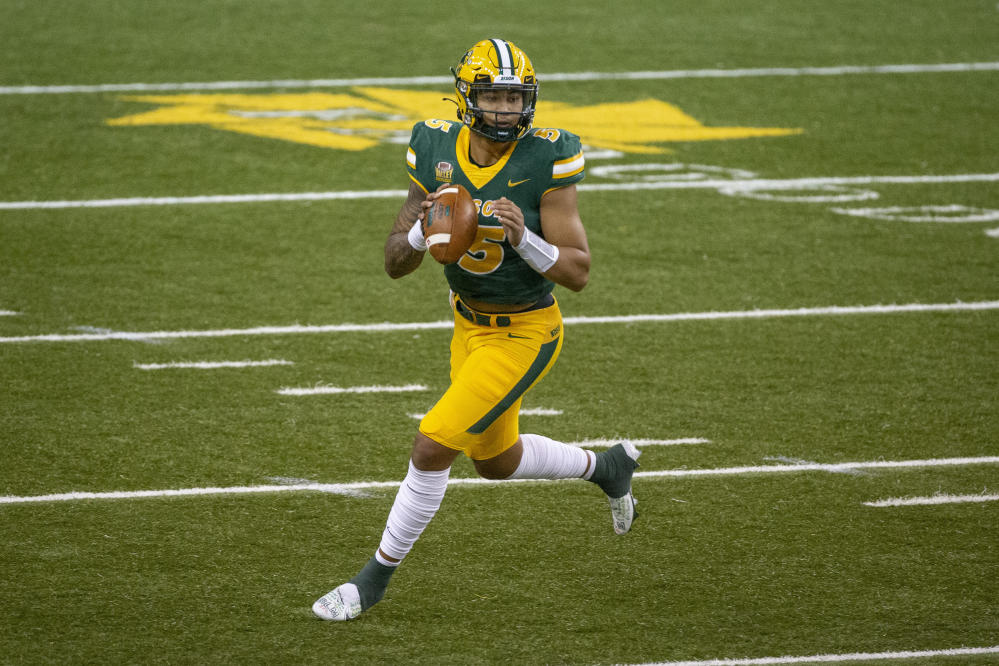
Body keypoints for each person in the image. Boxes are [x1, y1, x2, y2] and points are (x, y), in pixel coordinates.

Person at [313, 38, 640, 622]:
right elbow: (394, 260)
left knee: (432, 444)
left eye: (515, 98)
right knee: (494, 461)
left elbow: (579, 273)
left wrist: (525, 239)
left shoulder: (547, 159)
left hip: (525, 331)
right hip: (466, 325)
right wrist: (422, 233)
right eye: (493, 96)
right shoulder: (434, 144)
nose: (506, 110)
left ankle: (373, 580)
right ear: (468, 98)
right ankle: (607, 467)